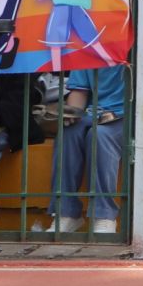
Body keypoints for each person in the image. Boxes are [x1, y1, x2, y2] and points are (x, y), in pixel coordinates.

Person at [46, 63, 128, 236]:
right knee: (68, 132)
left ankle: (104, 215)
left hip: (128, 117)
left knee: (99, 135)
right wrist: (71, 114)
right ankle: (66, 213)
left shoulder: (139, 51)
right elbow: (79, 93)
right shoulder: (90, 51)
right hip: (94, 115)